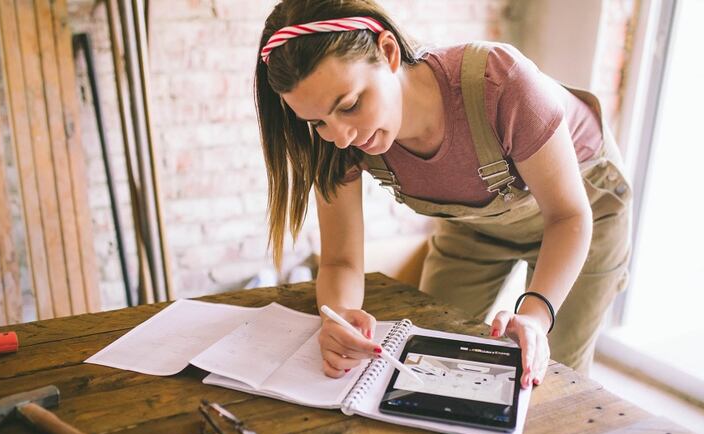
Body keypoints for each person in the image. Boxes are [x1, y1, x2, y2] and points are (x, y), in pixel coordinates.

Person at [254, 0, 632, 388]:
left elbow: (568, 216)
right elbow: (340, 261)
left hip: (580, 217)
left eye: (350, 105)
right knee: (429, 355)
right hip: (474, 225)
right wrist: (339, 317)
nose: (341, 136)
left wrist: (535, 317)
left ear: (388, 52)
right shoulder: (336, 143)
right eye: (318, 122)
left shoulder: (501, 83)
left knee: (551, 376)